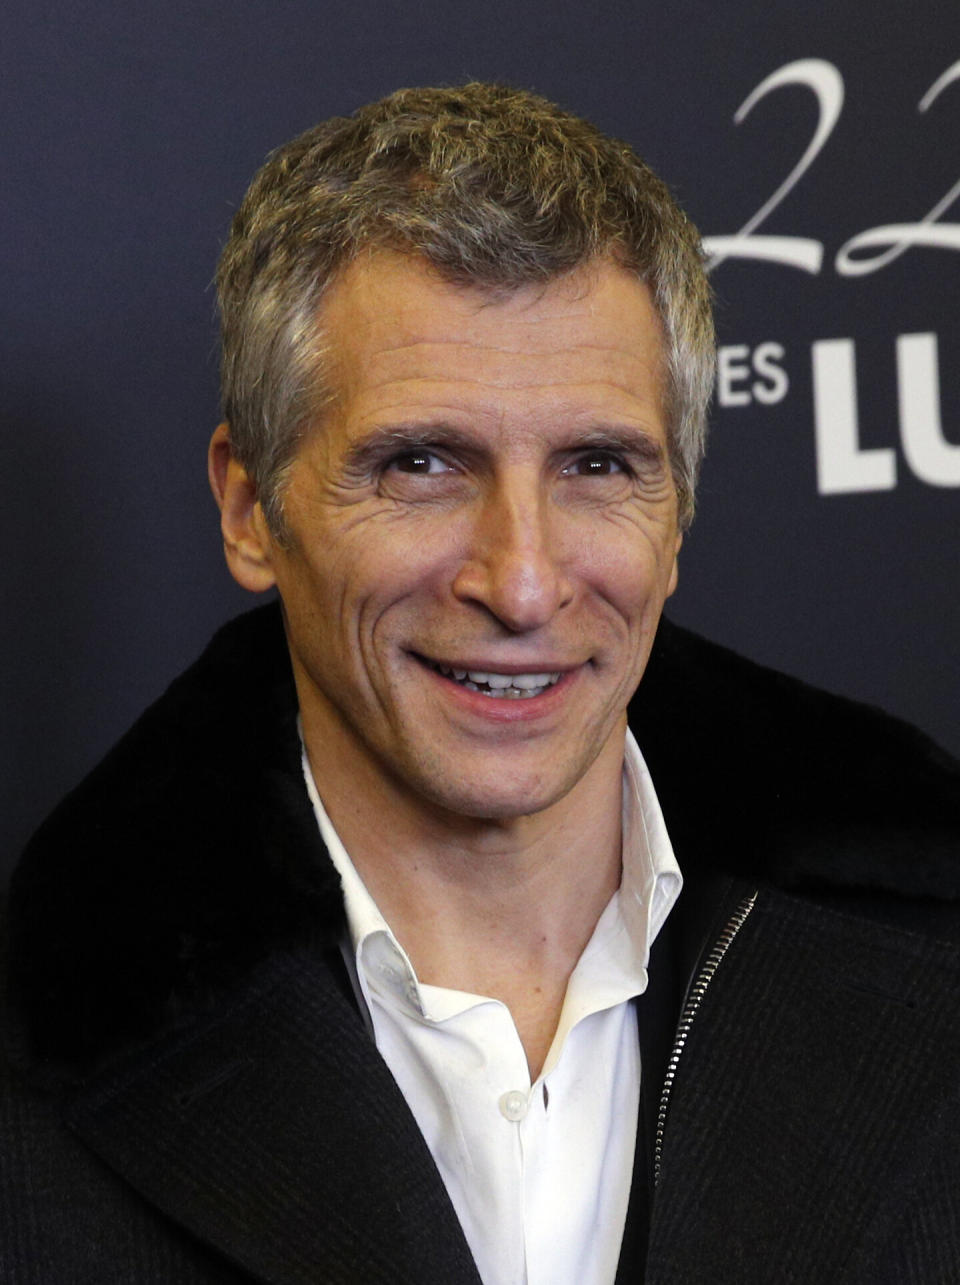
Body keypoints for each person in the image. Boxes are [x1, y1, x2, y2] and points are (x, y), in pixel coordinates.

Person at [2, 83, 959, 1285]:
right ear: (252, 507)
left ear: (679, 514)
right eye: (421, 465)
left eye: (599, 464)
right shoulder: (43, 1060)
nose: (522, 581)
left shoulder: (923, 948)